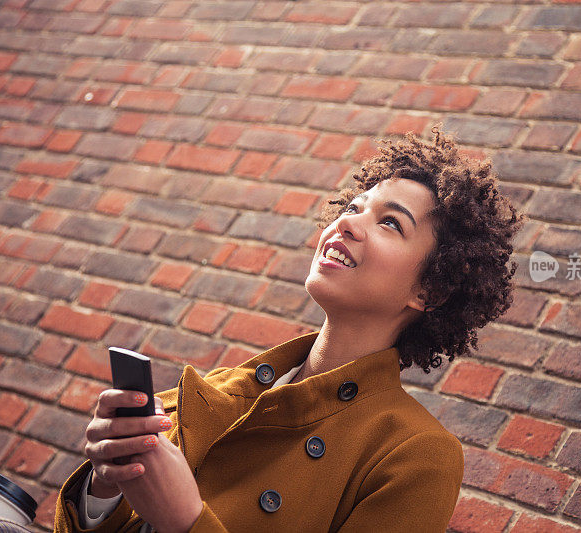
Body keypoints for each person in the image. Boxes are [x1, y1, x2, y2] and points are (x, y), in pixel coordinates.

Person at [52, 126, 523, 533]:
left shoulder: (416, 454)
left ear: (429, 290)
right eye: (354, 207)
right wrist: (105, 486)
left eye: (390, 224)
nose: (348, 224)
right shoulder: (221, 390)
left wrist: (186, 521)